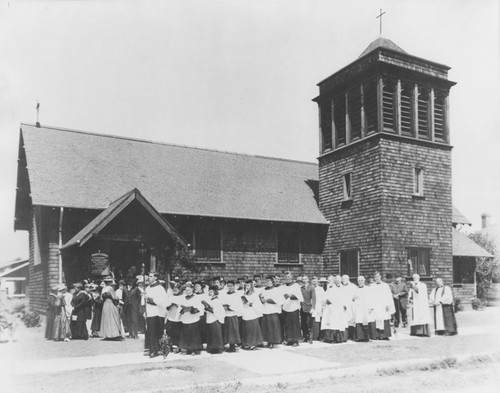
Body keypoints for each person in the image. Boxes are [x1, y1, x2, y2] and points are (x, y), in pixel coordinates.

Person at [144, 272, 168, 357]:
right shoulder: (147, 288)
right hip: (150, 312)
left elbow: (161, 301)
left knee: (157, 332)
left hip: (158, 313)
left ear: (155, 278)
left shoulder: (160, 288)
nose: (149, 278)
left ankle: (157, 350)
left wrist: (148, 299)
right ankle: (151, 349)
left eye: (150, 276)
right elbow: (144, 301)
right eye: (149, 276)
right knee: (151, 332)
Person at [321, 275, 349, 343]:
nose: (337, 281)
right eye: (336, 280)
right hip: (332, 309)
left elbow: (346, 298)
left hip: (340, 309)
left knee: (340, 323)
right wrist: (327, 301)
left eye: (339, 279)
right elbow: (326, 297)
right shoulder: (331, 288)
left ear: (341, 280)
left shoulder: (344, 289)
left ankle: (340, 338)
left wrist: (345, 305)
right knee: (332, 323)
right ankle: (331, 338)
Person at [178, 282, 203, 355]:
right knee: (186, 333)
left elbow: (200, 307)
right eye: (186, 290)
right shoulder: (183, 298)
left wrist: (192, 309)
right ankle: (188, 348)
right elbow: (180, 307)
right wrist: (182, 310)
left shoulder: (196, 297)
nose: (187, 292)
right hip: (186, 317)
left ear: (192, 290)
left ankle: (194, 349)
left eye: (189, 290)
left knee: (193, 334)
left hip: (193, 318)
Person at [259, 276, 283, 349]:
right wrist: (262, 300)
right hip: (265, 310)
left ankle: (272, 342)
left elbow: (279, 300)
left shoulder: (276, 290)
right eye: (266, 281)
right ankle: (267, 341)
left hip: (273, 310)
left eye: (269, 281)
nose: (267, 282)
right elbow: (261, 298)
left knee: (272, 327)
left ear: (272, 282)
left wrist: (268, 300)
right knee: (266, 326)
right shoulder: (263, 290)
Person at [370, 271, 395, 340]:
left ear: (380, 276)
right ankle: (377, 335)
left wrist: (388, 305)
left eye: (378, 276)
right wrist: (371, 306)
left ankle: (384, 335)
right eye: (375, 277)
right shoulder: (372, 286)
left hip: (383, 305)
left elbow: (388, 296)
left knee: (384, 318)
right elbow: (370, 296)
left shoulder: (385, 285)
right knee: (376, 319)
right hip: (376, 305)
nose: (377, 278)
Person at [240, 280, 264, 350]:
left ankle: (253, 344)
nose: (247, 287)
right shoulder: (245, 294)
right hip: (246, 312)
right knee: (246, 329)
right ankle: (246, 343)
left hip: (252, 312)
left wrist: (249, 303)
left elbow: (257, 304)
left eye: (248, 285)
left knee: (252, 329)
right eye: (246, 285)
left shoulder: (254, 294)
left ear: (251, 286)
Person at [220, 280, 243, 352]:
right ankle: (228, 344)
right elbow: (222, 302)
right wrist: (224, 306)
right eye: (228, 286)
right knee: (227, 330)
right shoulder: (225, 294)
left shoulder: (236, 295)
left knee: (232, 331)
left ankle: (232, 346)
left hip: (232, 314)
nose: (230, 288)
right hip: (226, 314)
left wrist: (229, 308)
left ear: (234, 287)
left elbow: (238, 305)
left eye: (231, 286)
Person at [281, 273, 303, 346]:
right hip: (286, 307)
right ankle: (289, 340)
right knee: (288, 325)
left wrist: (291, 296)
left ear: (292, 278)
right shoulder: (283, 286)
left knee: (294, 324)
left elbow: (300, 297)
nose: (287, 278)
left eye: (289, 277)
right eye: (286, 277)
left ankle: (295, 341)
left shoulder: (296, 285)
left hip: (294, 307)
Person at [203, 285, 225, 354]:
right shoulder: (210, 300)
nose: (210, 293)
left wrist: (209, 309)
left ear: (215, 292)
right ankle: (211, 347)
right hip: (210, 318)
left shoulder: (217, 300)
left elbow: (219, 311)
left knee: (215, 334)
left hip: (215, 319)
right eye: (209, 292)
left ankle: (216, 348)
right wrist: (206, 308)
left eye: (212, 292)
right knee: (211, 334)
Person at [352, 276, 375, 342]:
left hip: (366, 308)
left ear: (364, 281)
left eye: (362, 280)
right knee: (359, 321)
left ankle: (366, 337)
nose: (360, 282)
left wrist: (371, 307)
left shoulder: (368, 289)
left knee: (366, 321)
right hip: (358, 308)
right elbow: (352, 299)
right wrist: (353, 298)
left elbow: (371, 298)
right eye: (359, 280)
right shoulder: (355, 289)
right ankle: (359, 337)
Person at [165, 283, 183, 350]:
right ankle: (171, 345)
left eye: (177, 289)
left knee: (178, 333)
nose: (175, 290)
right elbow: (167, 307)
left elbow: (182, 307)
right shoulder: (171, 296)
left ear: (180, 290)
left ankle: (179, 346)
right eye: (174, 289)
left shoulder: (182, 297)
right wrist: (170, 305)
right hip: (170, 316)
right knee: (170, 332)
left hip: (178, 317)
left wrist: (176, 304)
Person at [300, 275, 315, 344]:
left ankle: (310, 338)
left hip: (309, 308)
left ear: (308, 280)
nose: (304, 280)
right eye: (303, 279)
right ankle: (305, 337)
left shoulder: (311, 287)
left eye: (305, 279)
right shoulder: (301, 288)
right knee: (303, 323)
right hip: (302, 308)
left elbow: (314, 298)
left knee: (310, 323)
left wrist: (313, 308)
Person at [341, 275, 356, 340]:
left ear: (348, 279)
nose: (344, 280)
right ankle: (345, 336)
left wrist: (353, 299)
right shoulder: (341, 287)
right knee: (345, 320)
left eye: (345, 279)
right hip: (343, 307)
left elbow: (356, 294)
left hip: (351, 305)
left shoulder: (353, 286)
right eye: (343, 279)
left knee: (351, 320)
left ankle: (351, 335)